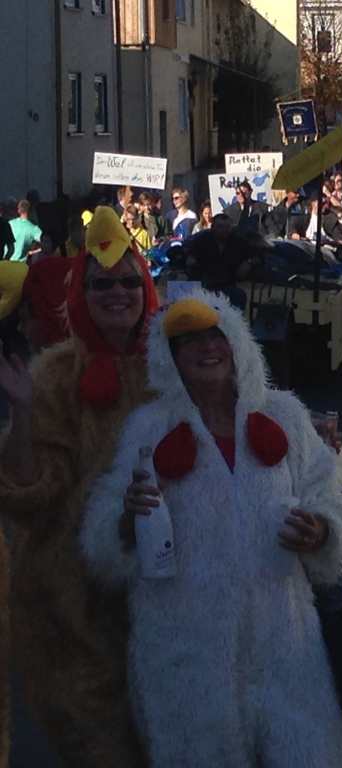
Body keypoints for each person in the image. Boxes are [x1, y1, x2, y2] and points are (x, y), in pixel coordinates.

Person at [79, 289, 342, 766]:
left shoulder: (285, 416)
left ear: (237, 342)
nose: (206, 348)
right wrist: (126, 519)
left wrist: (322, 529)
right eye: (188, 341)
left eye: (216, 335)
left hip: (284, 646)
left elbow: (330, 499)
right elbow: (102, 538)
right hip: (185, 652)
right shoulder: (147, 429)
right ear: (169, 358)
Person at [0, 206, 159, 767]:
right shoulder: (55, 376)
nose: (116, 293)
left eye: (126, 282)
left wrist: (300, 439)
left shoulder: (174, 367)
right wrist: (21, 414)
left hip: (164, 598)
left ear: (145, 289)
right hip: (77, 617)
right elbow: (28, 493)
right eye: (100, 285)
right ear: (80, 295)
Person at [183, 213, 255, 309]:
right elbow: (186, 253)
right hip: (204, 284)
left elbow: (256, 253)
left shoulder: (238, 241)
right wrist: (190, 259)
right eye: (220, 227)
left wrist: (248, 262)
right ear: (213, 227)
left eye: (227, 227)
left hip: (227, 285)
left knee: (239, 296)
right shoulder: (201, 240)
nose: (224, 230)